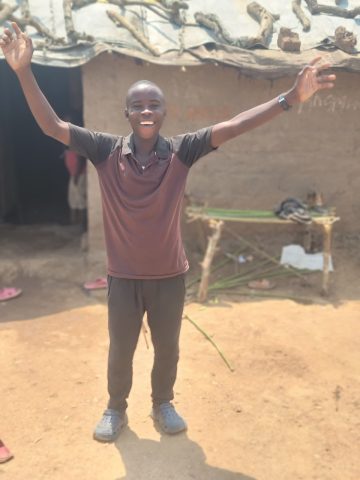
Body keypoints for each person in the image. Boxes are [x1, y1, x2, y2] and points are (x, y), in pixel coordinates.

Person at [0, 22, 336, 443]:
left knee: (168, 348)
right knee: (120, 349)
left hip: (169, 277)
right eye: (137, 104)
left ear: (163, 112)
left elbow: (233, 125)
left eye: (153, 104)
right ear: (126, 112)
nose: (145, 111)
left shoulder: (183, 150)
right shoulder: (104, 151)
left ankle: (162, 403)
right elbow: (52, 126)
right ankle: (114, 408)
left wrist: (291, 98)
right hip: (123, 277)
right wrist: (23, 72)